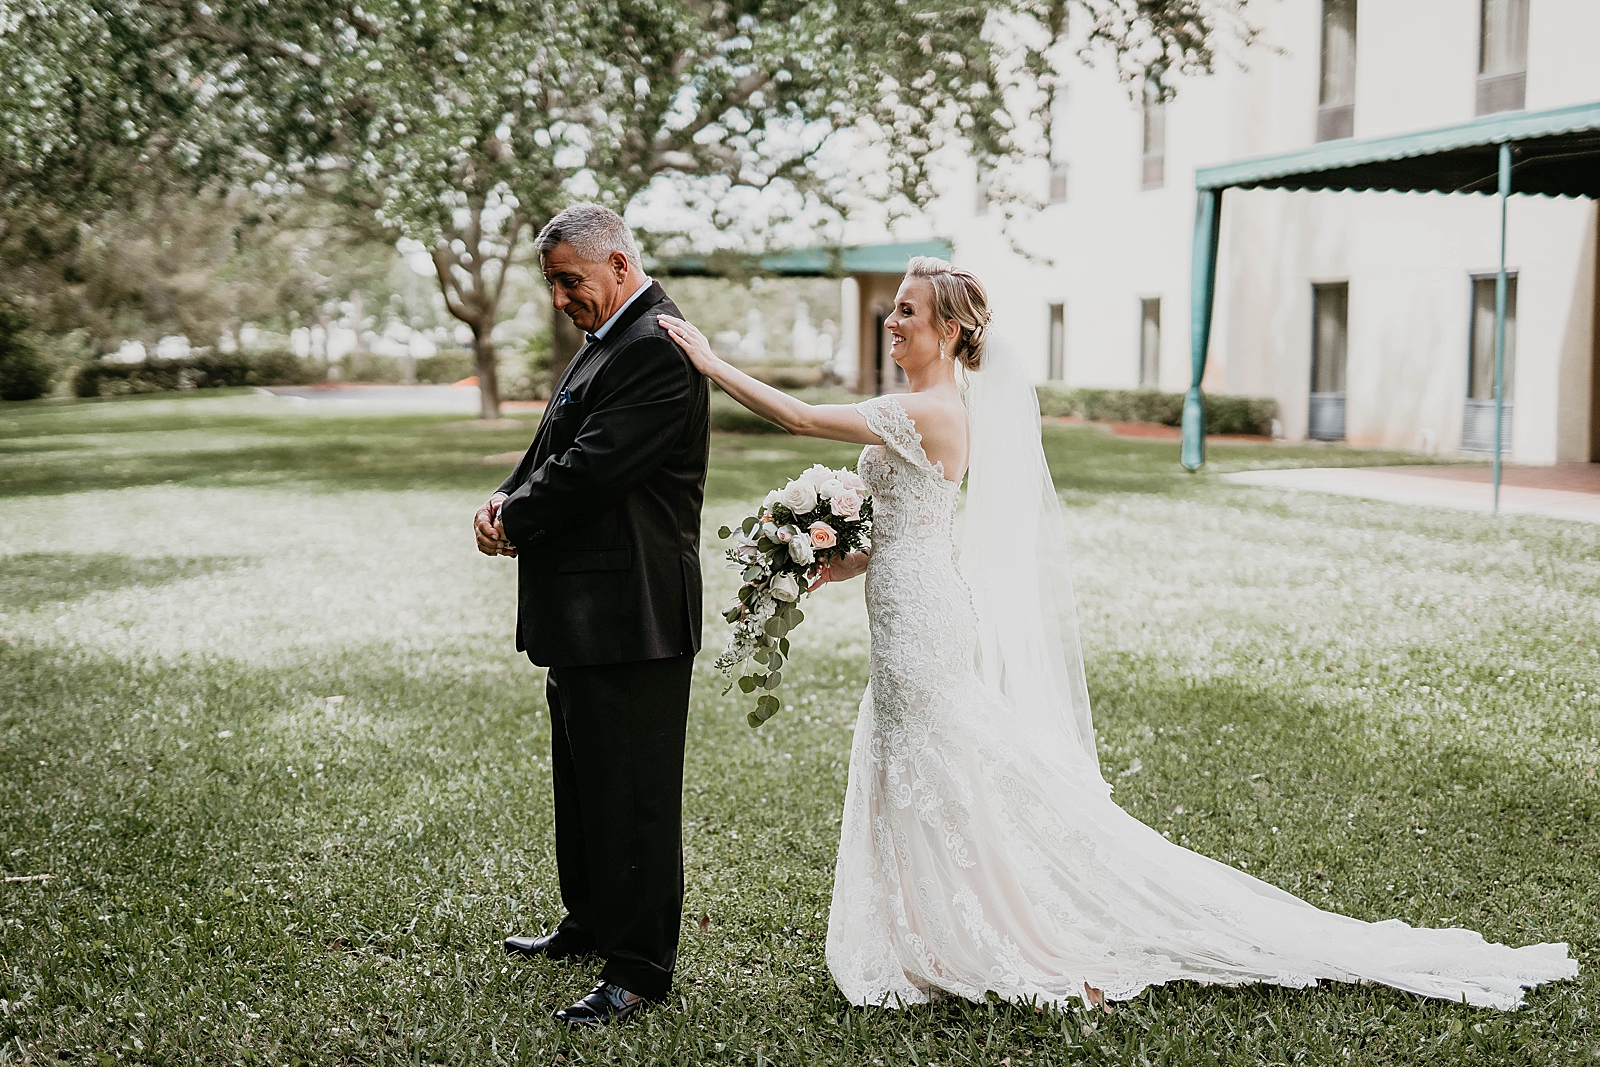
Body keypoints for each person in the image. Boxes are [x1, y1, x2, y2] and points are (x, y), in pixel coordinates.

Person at [657, 256, 1576, 1012]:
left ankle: (1013, 934)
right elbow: (898, 526)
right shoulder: (917, 413)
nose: (892, 323)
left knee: (942, 766)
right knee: (922, 763)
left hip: (925, 620)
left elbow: (800, 417)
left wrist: (709, 360)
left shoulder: (933, 410)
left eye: (906, 312)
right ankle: (931, 931)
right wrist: (820, 561)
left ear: (948, 331)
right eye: (892, 311)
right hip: (906, 599)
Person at [475, 203, 710, 1026]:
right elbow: (553, 443)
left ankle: (639, 966)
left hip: (633, 609)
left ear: (617, 262)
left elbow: (592, 469)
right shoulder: (609, 337)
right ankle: (590, 919)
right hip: (585, 607)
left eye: (570, 280)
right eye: (552, 282)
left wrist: (518, 517)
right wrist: (507, 493)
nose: (560, 297)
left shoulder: (656, 347)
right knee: (581, 781)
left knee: (635, 794)